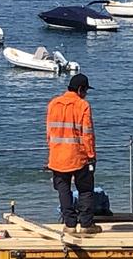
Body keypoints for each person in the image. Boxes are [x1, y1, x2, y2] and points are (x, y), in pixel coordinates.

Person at [46, 74, 101, 234]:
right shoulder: (82, 105)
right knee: (85, 190)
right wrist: (91, 156)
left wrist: (52, 151)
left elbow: (49, 133)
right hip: (78, 157)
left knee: (63, 190)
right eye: (85, 91)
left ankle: (69, 225)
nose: (86, 94)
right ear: (80, 89)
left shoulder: (53, 104)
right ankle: (86, 225)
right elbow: (87, 134)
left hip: (57, 157)